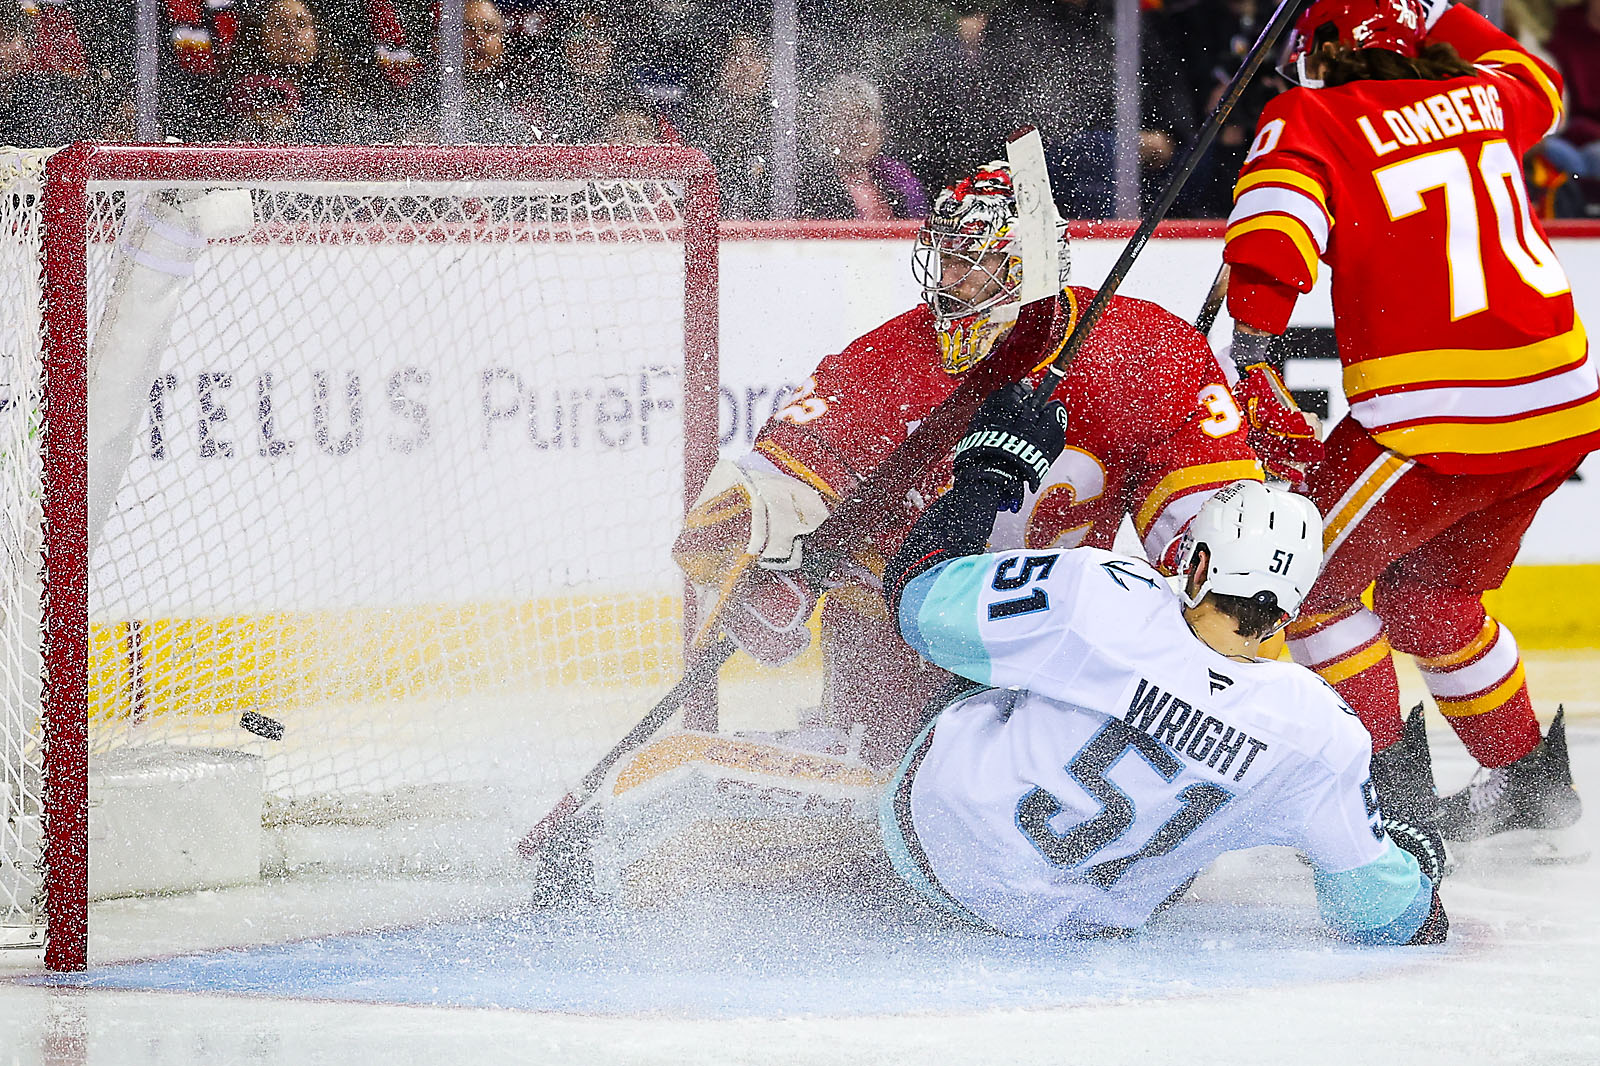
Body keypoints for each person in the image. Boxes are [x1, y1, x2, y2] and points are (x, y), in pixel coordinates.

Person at [603, 420, 1448, 944]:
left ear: (1191, 563)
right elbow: (1379, 916)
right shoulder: (1320, 734)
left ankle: (700, 808)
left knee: (990, 658)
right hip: (1066, 927)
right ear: (1291, 606)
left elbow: (921, 604)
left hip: (930, 831)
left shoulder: (1101, 596)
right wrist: (1414, 888)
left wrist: (990, 475)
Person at [674, 159, 1290, 770]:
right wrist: (766, 566)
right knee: (878, 812)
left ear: (1027, 270)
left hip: (1048, 655)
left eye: (973, 259)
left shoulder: (1143, 352)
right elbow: (760, 496)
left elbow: (1215, 537)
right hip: (903, 646)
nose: (950, 277)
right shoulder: (890, 357)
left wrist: (1194, 682)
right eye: (946, 255)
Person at [1219, 0, 1593, 844]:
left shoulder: (1309, 114)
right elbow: (1543, 81)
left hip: (1437, 424)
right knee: (1433, 599)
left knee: (1304, 587)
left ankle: (1387, 804)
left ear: (1325, 49)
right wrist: (1442, 10)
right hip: (1559, 409)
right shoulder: (1486, 94)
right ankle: (1529, 787)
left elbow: (1269, 259)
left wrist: (1253, 358)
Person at [797, 74, 928, 221]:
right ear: (824, 131)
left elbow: (921, 233)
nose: (854, 130)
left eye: (863, 118)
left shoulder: (898, 177)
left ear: (880, 127)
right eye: (843, 119)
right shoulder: (813, 185)